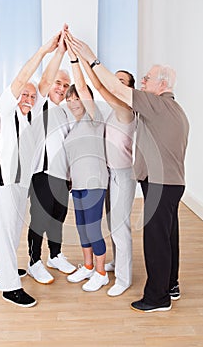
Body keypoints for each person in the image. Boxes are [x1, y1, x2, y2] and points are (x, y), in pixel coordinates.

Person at [69, 36, 189, 312]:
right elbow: (100, 87)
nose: (144, 82)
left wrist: (90, 56)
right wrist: (81, 61)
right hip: (166, 182)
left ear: (162, 85)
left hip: (159, 183)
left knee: (155, 238)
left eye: (146, 79)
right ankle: (171, 284)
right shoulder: (170, 108)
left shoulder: (154, 104)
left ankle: (157, 298)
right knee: (168, 235)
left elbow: (107, 85)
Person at [0, 30, 67, 307]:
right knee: (7, 230)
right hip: (6, 181)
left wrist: (60, 52)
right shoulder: (5, 110)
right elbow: (25, 79)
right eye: (24, 94)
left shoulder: (30, 115)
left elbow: (44, 83)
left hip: (21, 184)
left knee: (9, 230)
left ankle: (1, 270)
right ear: (13, 94)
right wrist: (45, 50)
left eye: (32, 97)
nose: (29, 98)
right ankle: (10, 287)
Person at [79, 60, 137, 296]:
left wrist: (85, 59)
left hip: (123, 175)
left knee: (119, 226)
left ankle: (124, 279)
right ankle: (117, 262)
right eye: (114, 79)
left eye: (121, 81)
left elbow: (102, 87)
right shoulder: (109, 112)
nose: (115, 83)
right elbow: (88, 91)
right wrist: (77, 61)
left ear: (129, 89)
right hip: (108, 173)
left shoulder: (126, 110)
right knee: (111, 224)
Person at [27, 26, 76, 285]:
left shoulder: (68, 111)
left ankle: (54, 255)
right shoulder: (40, 103)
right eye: (59, 82)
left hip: (62, 176)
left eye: (66, 85)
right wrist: (59, 51)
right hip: (42, 173)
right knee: (40, 218)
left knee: (58, 217)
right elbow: (45, 82)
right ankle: (34, 261)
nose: (61, 87)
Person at [63, 34, 109, 292]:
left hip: (94, 182)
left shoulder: (95, 116)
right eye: (68, 99)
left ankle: (101, 272)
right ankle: (89, 266)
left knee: (92, 227)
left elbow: (81, 86)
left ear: (85, 99)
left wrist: (74, 58)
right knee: (82, 227)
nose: (72, 102)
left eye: (75, 97)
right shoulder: (74, 126)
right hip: (78, 185)